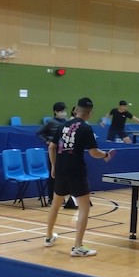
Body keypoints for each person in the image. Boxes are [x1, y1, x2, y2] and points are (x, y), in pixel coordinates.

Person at [45, 97, 115, 257]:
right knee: (84, 208)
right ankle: (77, 247)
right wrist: (105, 155)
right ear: (90, 113)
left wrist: (54, 166)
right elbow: (94, 152)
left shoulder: (63, 126)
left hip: (61, 170)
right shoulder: (86, 128)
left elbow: (51, 147)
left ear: (76, 110)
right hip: (76, 172)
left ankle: (48, 238)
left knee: (55, 204)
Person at [37, 102, 76, 208]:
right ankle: (51, 198)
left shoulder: (66, 122)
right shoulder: (50, 121)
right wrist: (47, 141)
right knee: (53, 175)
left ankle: (61, 198)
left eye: (64, 111)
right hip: (53, 151)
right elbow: (40, 132)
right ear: (56, 111)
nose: (64, 113)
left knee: (62, 176)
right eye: (61, 111)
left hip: (63, 151)